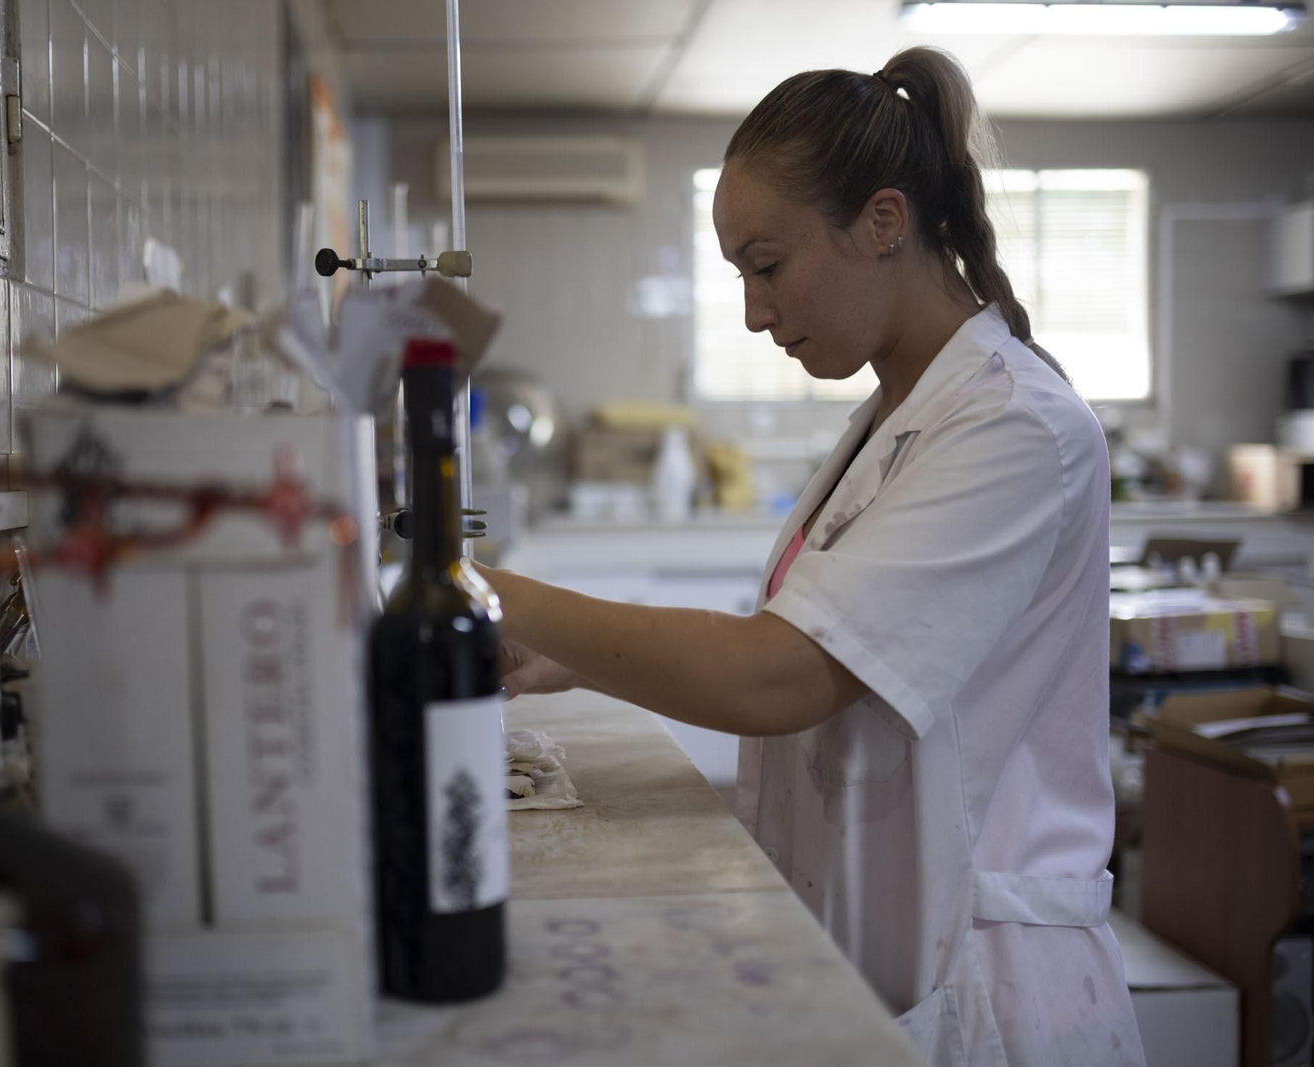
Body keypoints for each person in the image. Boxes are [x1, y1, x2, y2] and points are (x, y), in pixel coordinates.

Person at [481, 46, 1145, 1067]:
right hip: (877, 951)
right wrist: (568, 658)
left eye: (767, 265)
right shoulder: (893, 419)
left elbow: (782, 674)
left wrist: (497, 593)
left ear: (883, 221)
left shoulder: (1015, 428)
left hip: (989, 989)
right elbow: (816, 649)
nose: (754, 310)